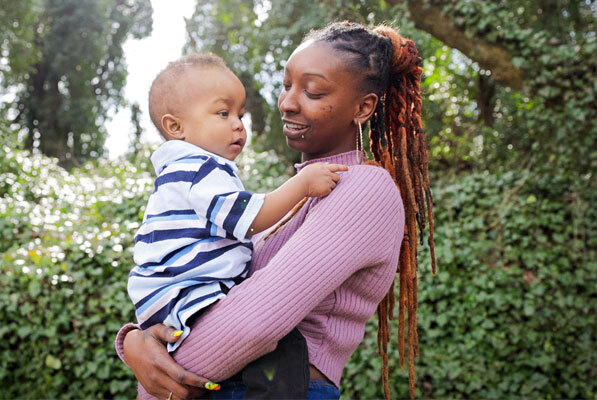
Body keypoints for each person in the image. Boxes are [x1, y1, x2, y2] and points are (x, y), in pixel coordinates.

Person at [117, 21, 435, 400]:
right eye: (287, 85)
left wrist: (152, 385)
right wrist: (136, 341)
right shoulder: (282, 204)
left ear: (363, 108)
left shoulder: (364, 188)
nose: (287, 102)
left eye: (313, 90)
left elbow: (253, 324)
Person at [129, 53, 349, 397]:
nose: (237, 125)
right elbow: (247, 218)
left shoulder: (178, 174)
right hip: (193, 294)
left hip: (172, 300)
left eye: (240, 114)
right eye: (223, 113)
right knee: (285, 348)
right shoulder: (199, 169)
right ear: (176, 127)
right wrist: (302, 186)